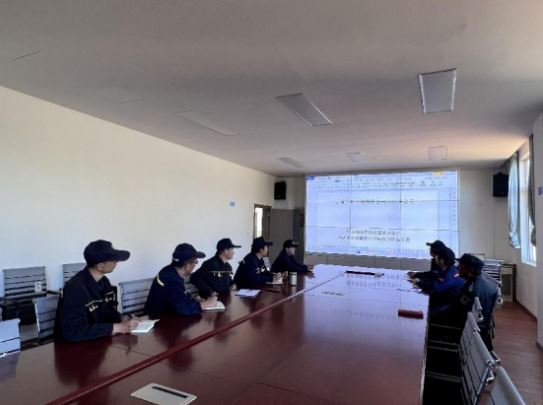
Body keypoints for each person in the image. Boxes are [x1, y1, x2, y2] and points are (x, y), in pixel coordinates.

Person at [55, 240, 139, 342]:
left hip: (96, 342)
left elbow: (107, 310)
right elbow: (73, 331)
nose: (116, 262)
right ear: (100, 266)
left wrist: (121, 318)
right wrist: (116, 327)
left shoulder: (104, 281)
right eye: (113, 260)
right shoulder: (74, 288)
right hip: (71, 348)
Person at [144, 243, 218, 316]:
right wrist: (206, 304)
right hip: (157, 319)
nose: (195, 265)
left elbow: (179, 295)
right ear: (187, 265)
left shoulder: (170, 272)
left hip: (168, 316)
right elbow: (182, 307)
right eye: (195, 262)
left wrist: (195, 300)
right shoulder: (169, 279)